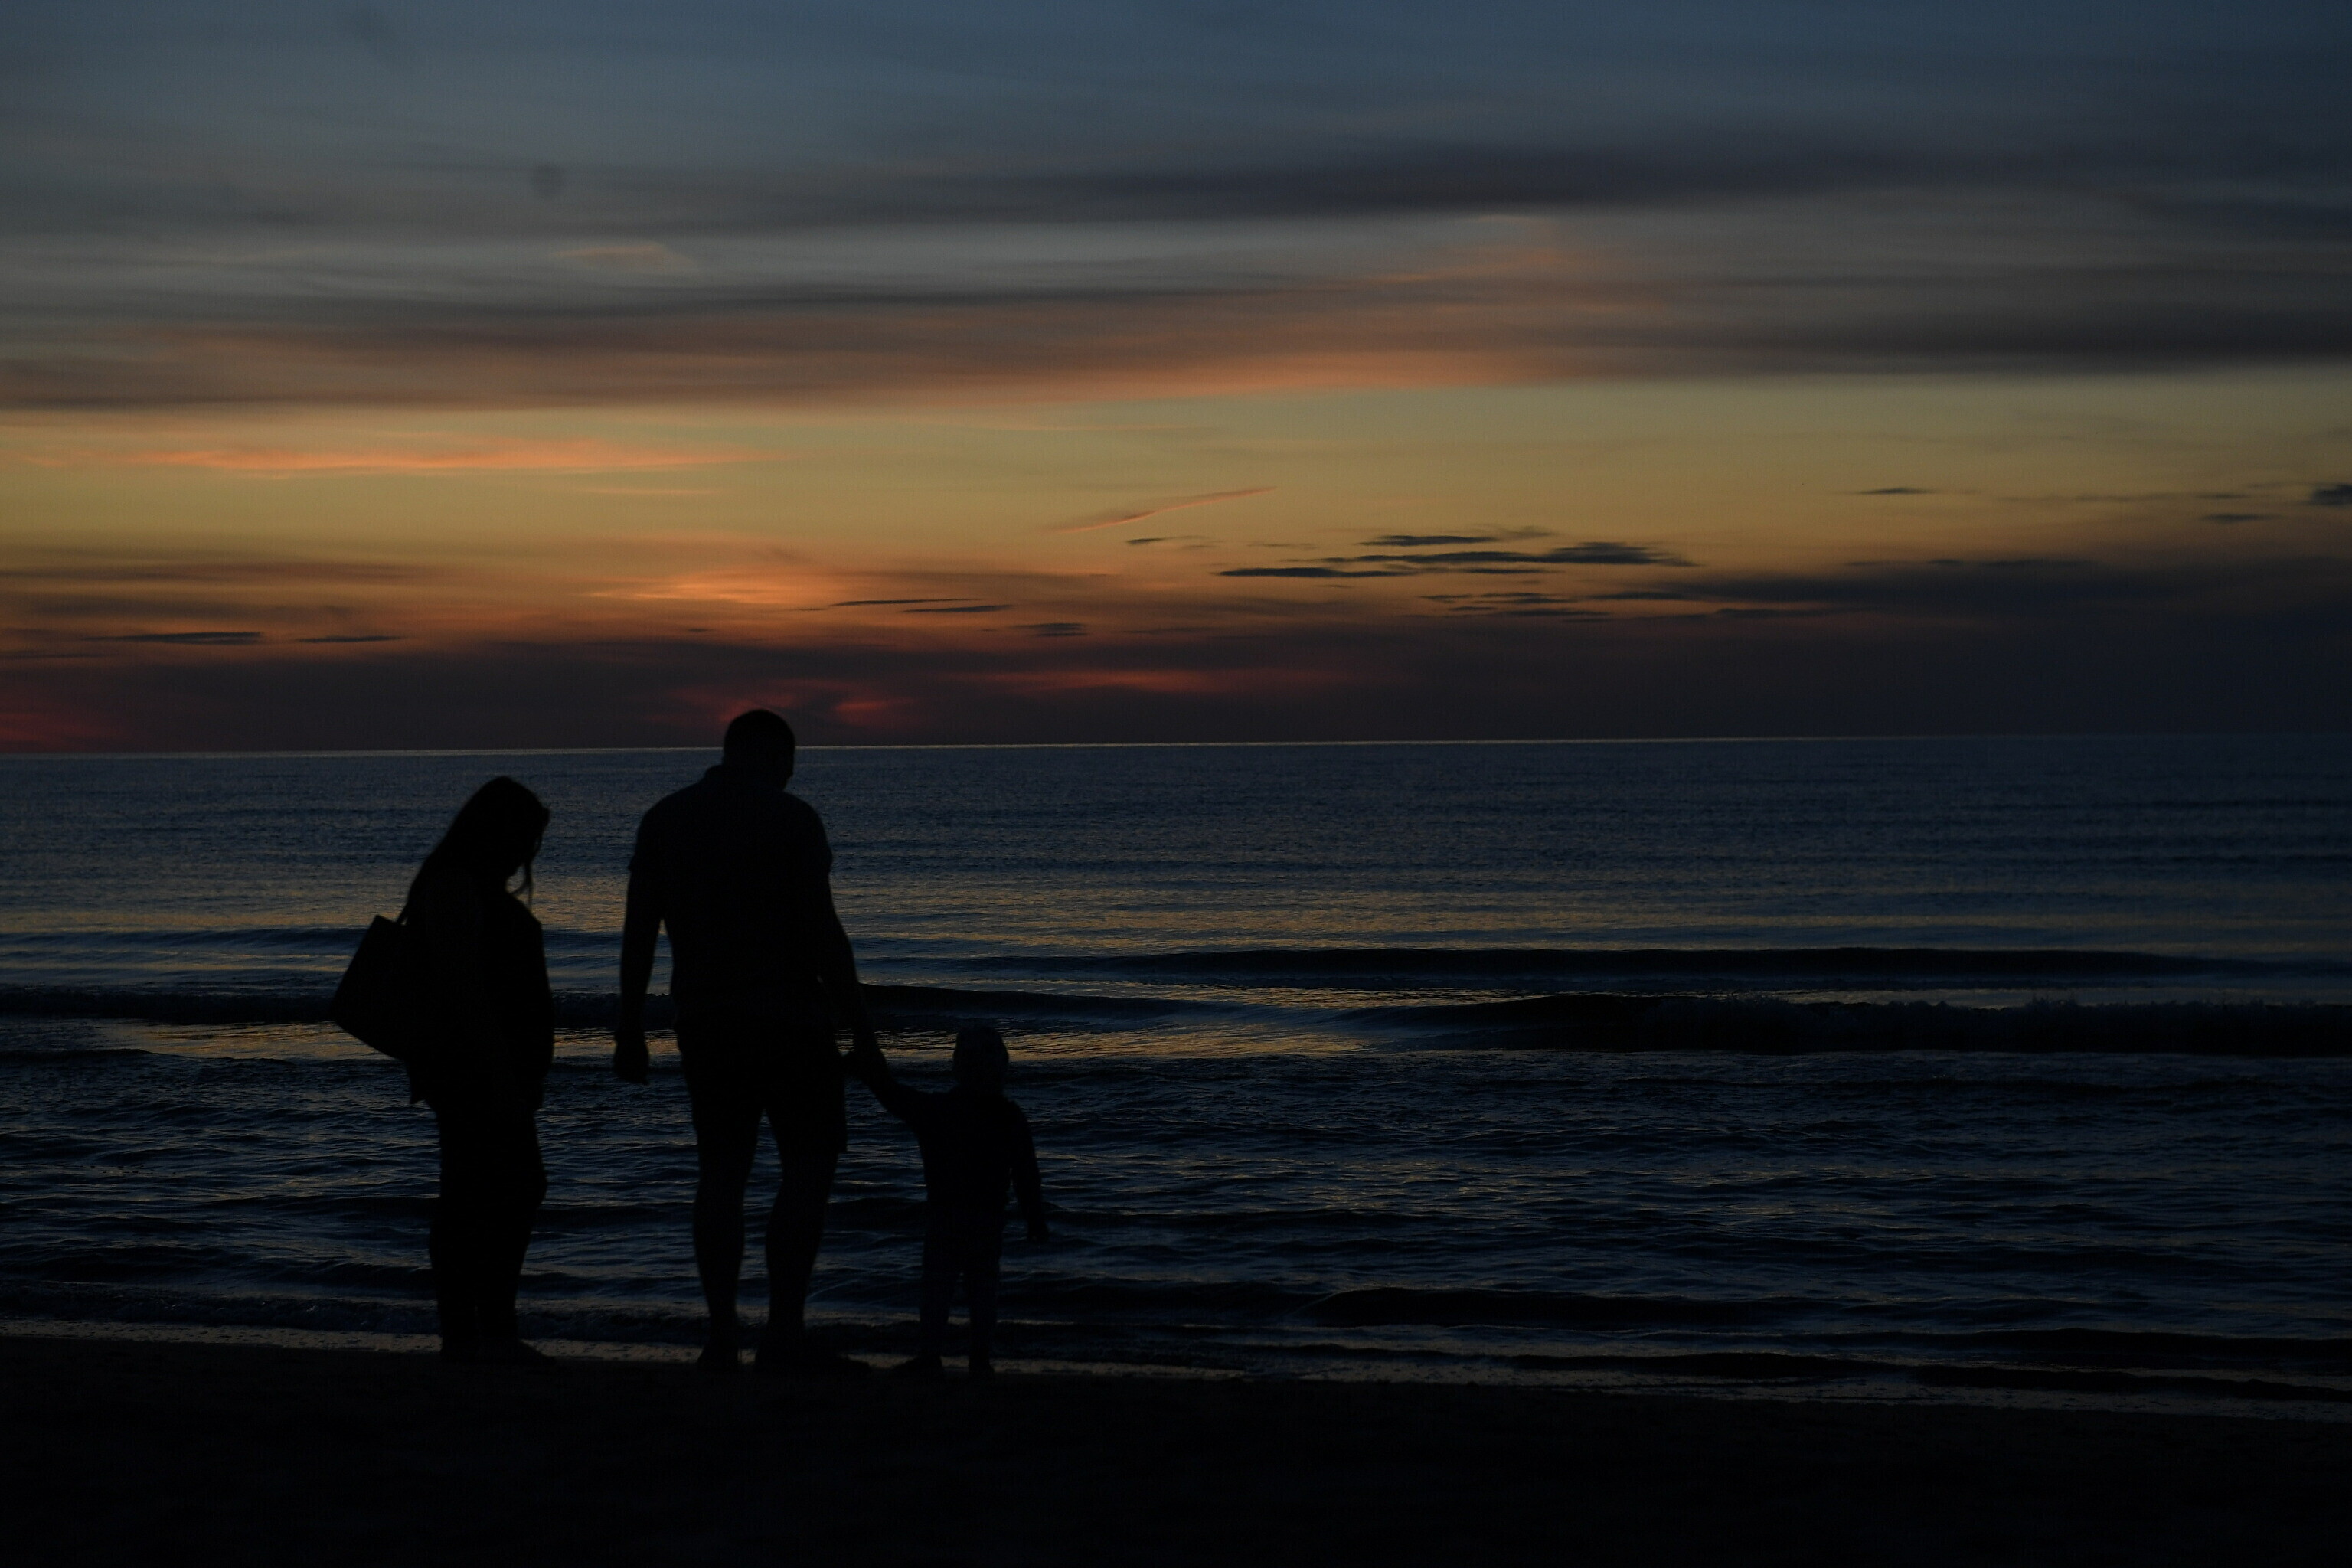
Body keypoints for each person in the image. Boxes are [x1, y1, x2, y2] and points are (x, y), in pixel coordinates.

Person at [614, 710, 880, 1375]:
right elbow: (823, 931)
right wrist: (861, 1028)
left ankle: (722, 1335)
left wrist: (630, 1026)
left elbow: (640, 929)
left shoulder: (666, 818)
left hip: (708, 1023)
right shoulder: (791, 819)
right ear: (774, 757)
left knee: (722, 1175)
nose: (790, 777)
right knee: (808, 1168)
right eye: (788, 764)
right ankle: (784, 1331)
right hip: (791, 1021)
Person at [403, 776, 556, 1366]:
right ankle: (477, 1330)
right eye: (522, 839)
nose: (526, 855)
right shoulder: (455, 888)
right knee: (493, 1192)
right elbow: (466, 992)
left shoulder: (465, 886)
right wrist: (500, 1076)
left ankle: (480, 1329)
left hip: (485, 1069)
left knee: (488, 1192)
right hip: (475, 1071)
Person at [852, 1025, 1047, 1379]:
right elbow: (1026, 1174)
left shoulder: (938, 1110)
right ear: (1003, 1068)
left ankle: (931, 1354)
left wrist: (870, 1068)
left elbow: (893, 1096)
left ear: (956, 1067)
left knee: (937, 1286)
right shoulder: (1009, 1117)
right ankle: (979, 1358)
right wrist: (1035, 1217)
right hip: (987, 1217)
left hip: (946, 1215)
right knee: (983, 1288)